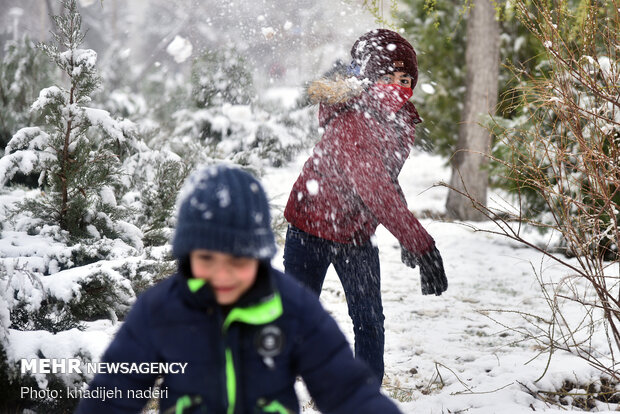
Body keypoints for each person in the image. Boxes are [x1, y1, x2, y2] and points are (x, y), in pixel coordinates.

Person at [75, 164, 403, 414]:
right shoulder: (160, 311)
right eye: (207, 258)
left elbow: (347, 390)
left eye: (238, 259)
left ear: (259, 255)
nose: (222, 274)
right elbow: (113, 394)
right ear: (187, 254)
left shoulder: (292, 308)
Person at [283, 29, 448, 382]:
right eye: (388, 77)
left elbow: (385, 181)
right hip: (309, 229)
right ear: (369, 79)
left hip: (356, 236)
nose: (399, 86)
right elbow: (374, 188)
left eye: (406, 79)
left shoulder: (401, 122)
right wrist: (419, 242)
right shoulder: (355, 119)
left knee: (369, 321)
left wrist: (407, 237)